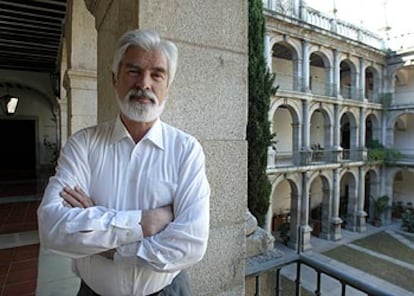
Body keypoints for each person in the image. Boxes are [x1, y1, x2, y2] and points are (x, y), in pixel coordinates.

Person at [37, 29, 210, 296]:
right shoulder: (83, 145)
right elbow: (53, 228)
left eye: (157, 74)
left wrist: (110, 244)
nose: (144, 83)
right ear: (114, 78)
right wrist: (145, 223)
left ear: (167, 86)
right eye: (133, 71)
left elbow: (192, 243)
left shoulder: (186, 150)